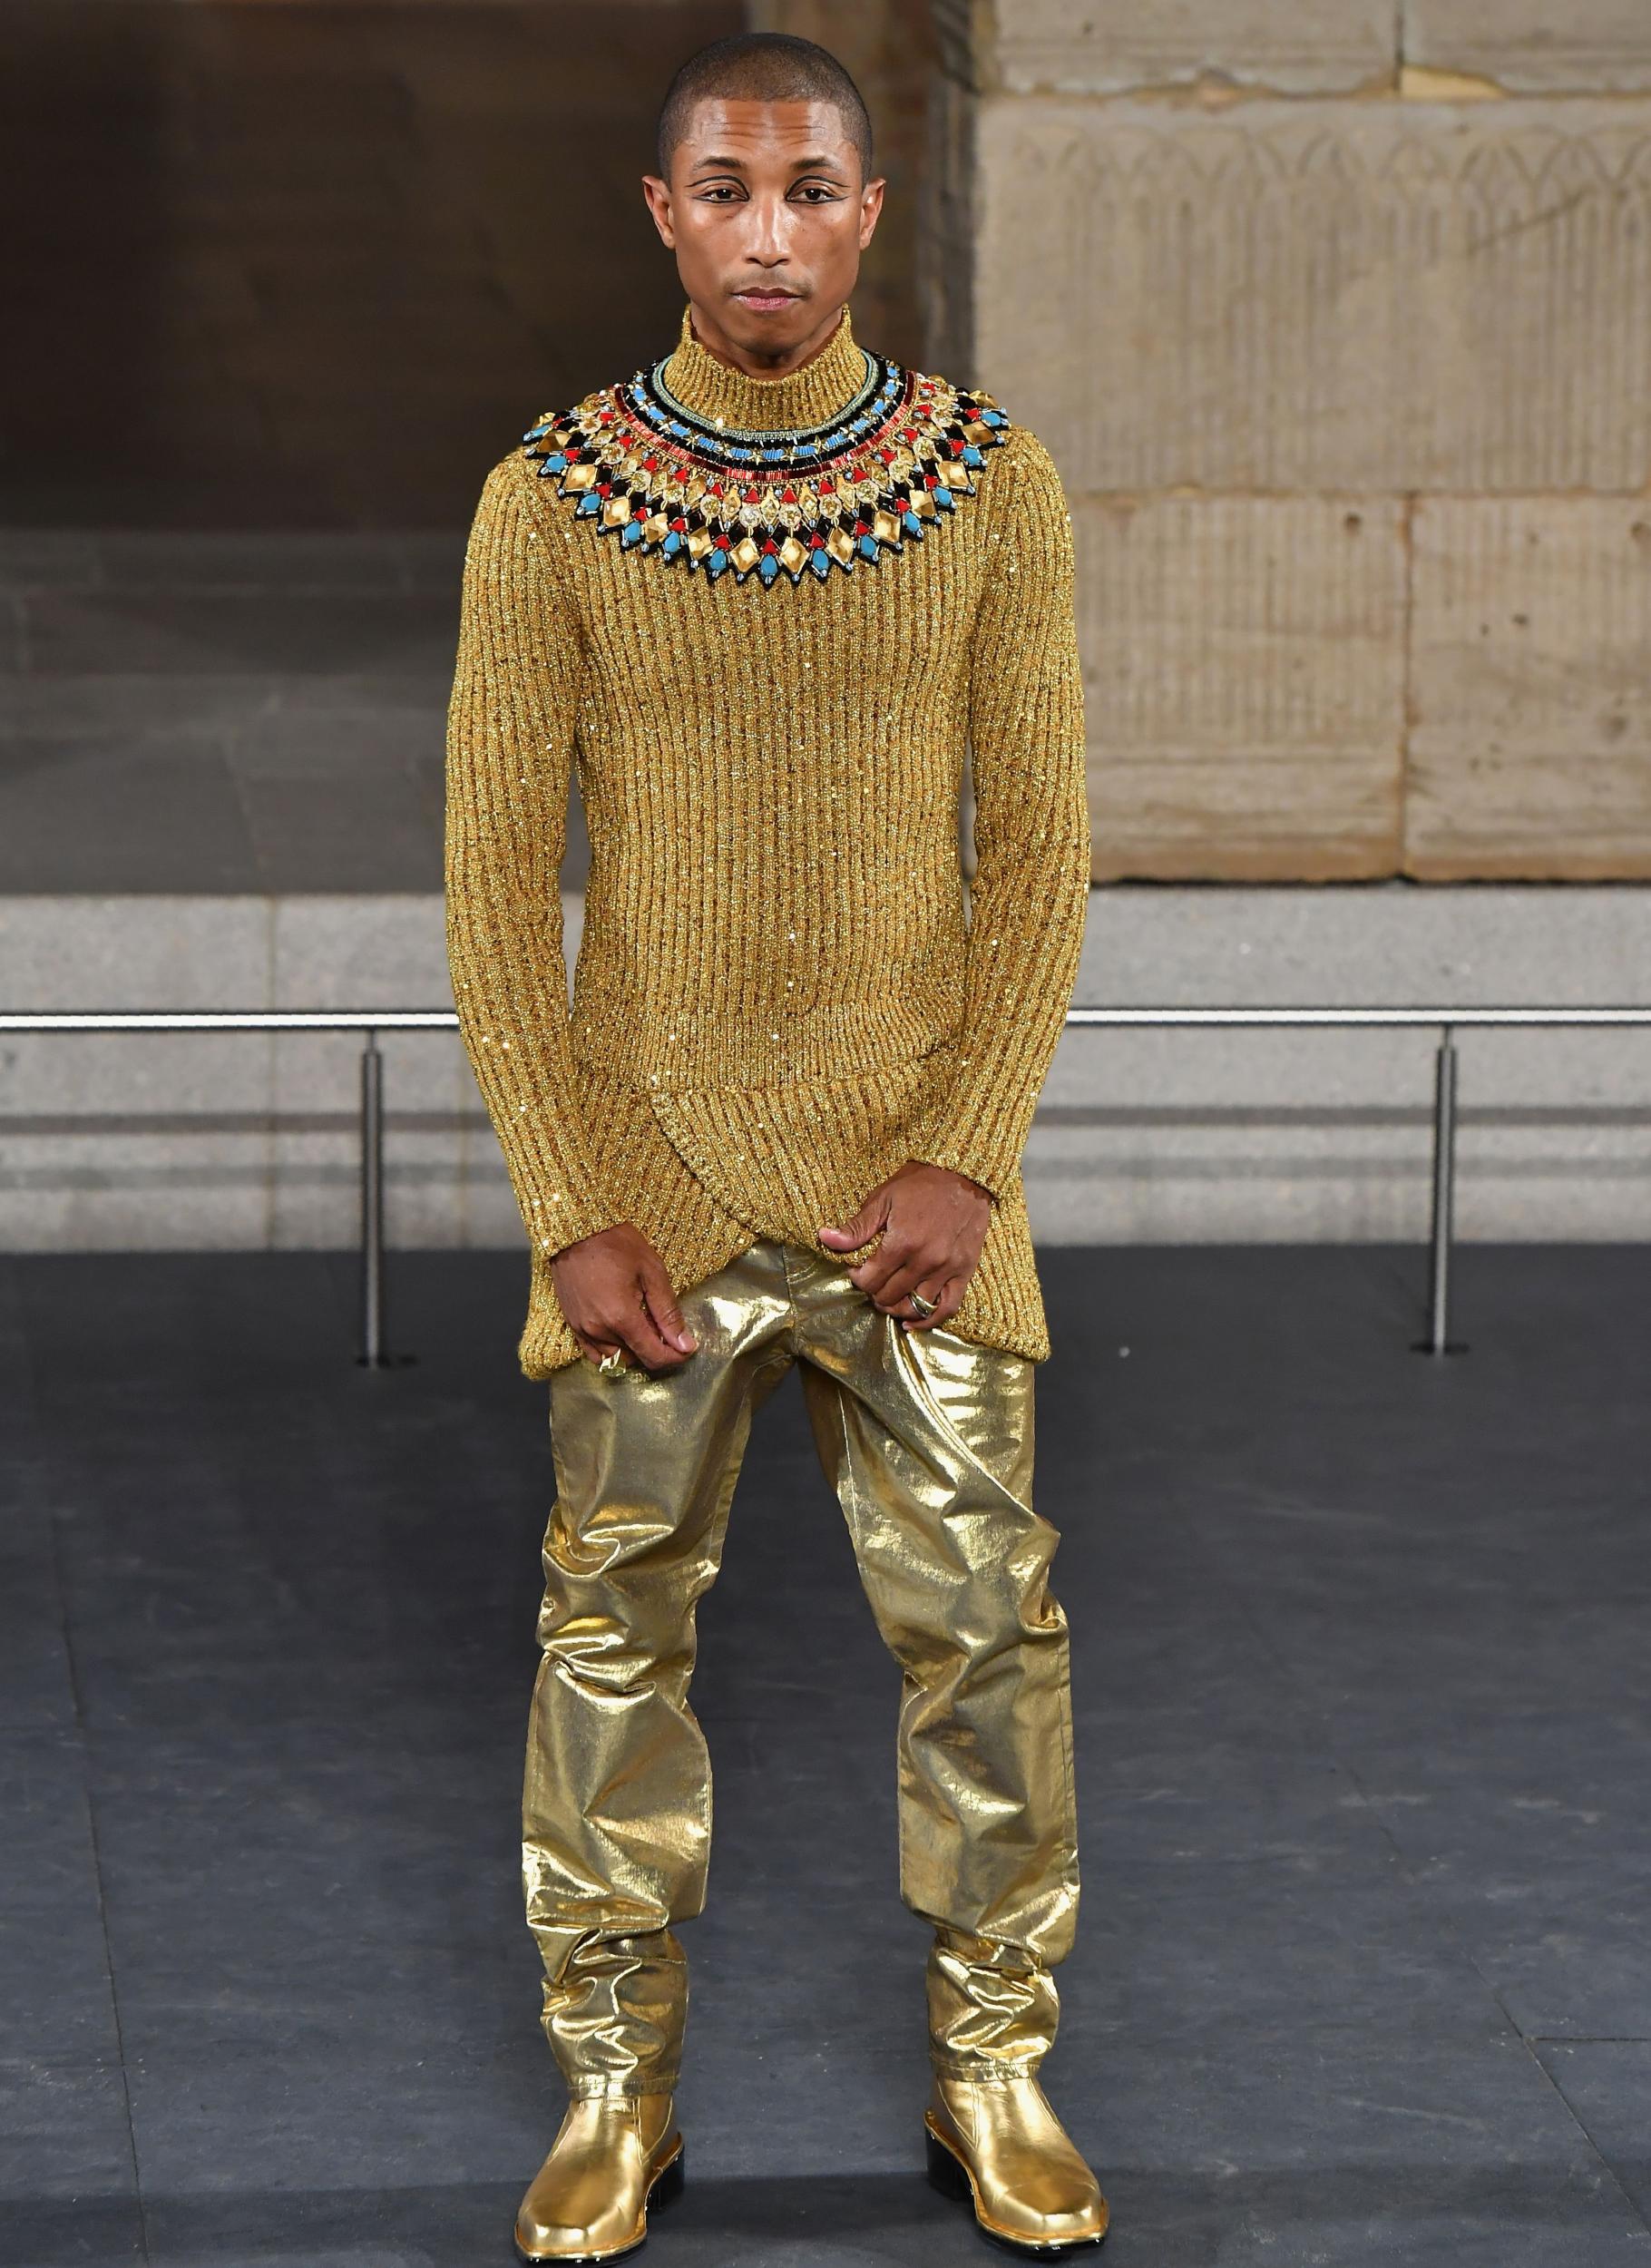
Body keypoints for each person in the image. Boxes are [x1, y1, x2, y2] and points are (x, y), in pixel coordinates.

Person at [444, 29, 1104, 2263]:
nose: (767, 230)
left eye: (808, 186)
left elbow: (1040, 852)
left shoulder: (989, 482)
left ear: (866, 210)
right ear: (660, 211)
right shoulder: (549, 499)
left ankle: (993, 2060)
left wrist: (967, 1148)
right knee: (613, 1629)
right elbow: (484, 881)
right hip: (652, 1180)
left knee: (988, 1629)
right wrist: (568, 1197)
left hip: (913, 1178)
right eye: (724, 186)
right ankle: (615, 2086)